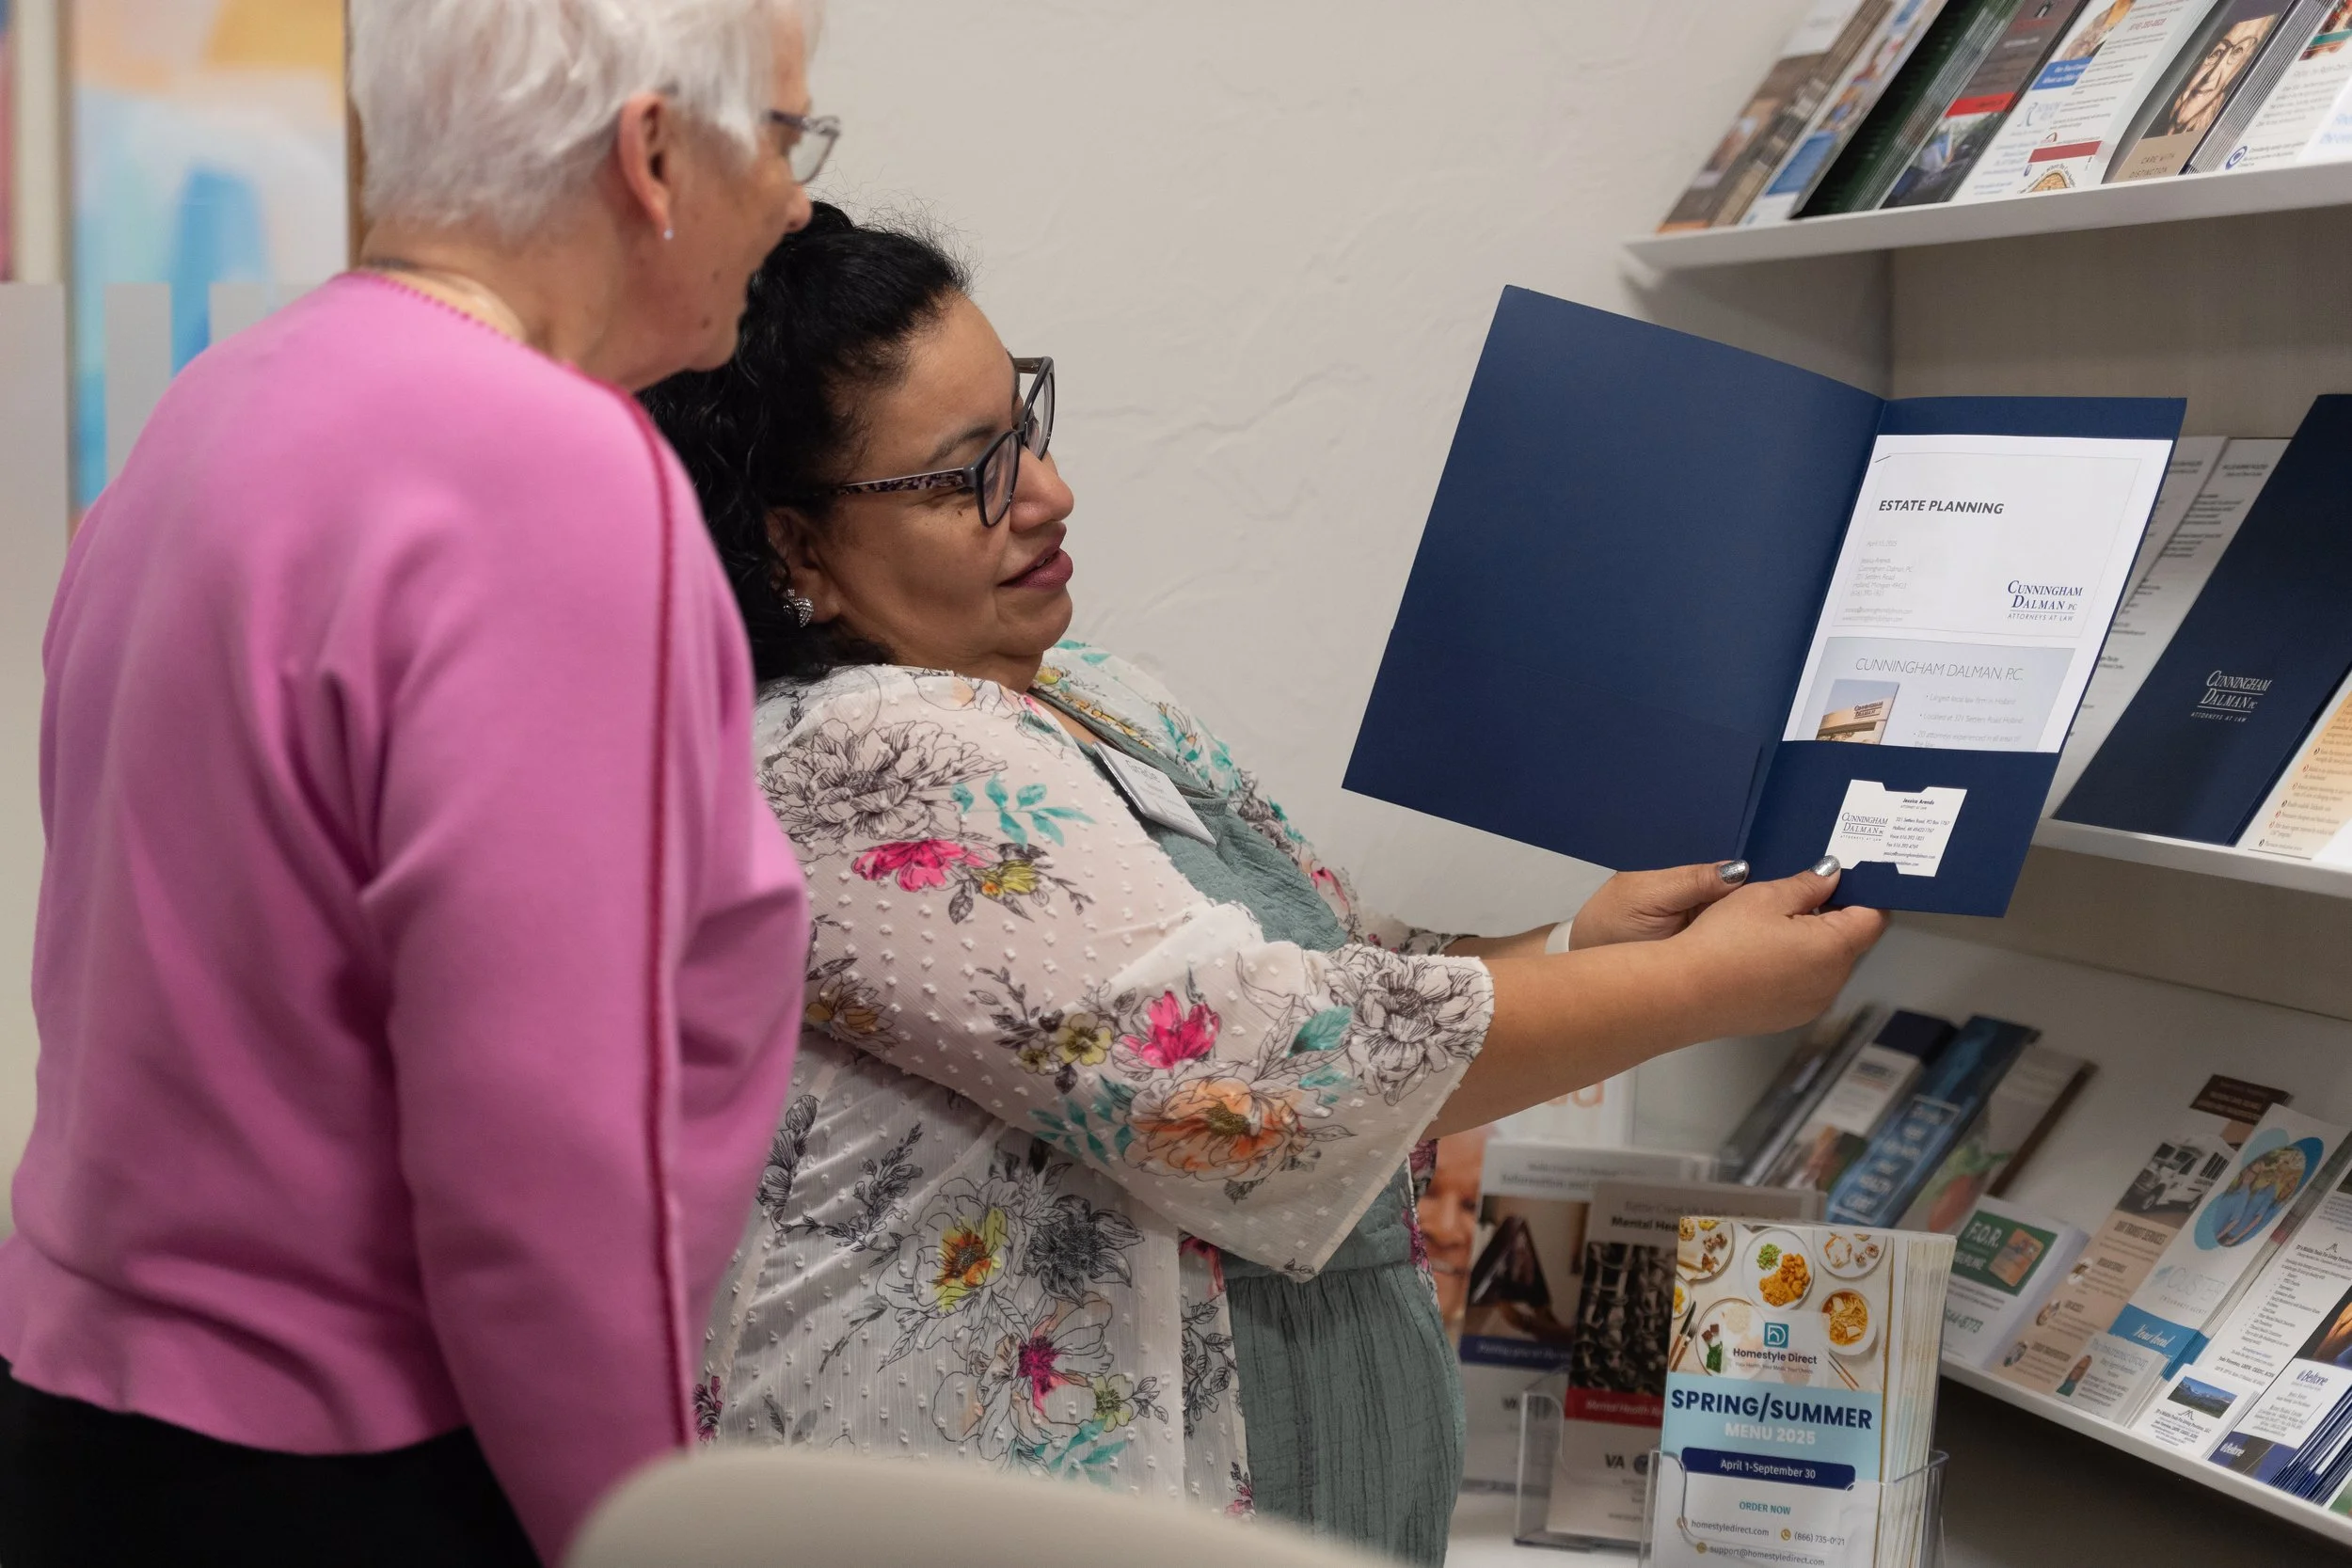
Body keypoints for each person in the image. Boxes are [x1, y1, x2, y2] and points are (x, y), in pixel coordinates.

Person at [642, 207, 1885, 1566]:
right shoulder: (842, 757)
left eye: (1026, 426)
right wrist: (1696, 990)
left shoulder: (1091, 692)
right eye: (967, 478)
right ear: (797, 550)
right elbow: (1242, 1073)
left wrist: (1589, 941)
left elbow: (1336, 972)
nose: (1048, 492)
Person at [0, 4, 831, 1563]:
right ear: (652, 154)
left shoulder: (214, 405)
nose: (795, 201)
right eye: (786, 136)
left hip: (86, 1431)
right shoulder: (551, 471)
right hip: (366, 1474)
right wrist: (635, 1531)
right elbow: (544, 1170)